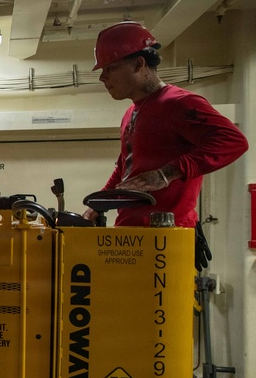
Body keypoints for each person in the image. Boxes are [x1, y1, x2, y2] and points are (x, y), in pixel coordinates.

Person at [82, 21, 248, 233]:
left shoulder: (178, 103)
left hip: (167, 236)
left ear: (138, 64)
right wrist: (99, 203)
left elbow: (233, 141)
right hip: (130, 232)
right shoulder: (131, 113)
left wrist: (166, 174)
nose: (102, 77)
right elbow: (126, 168)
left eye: (111, 68)